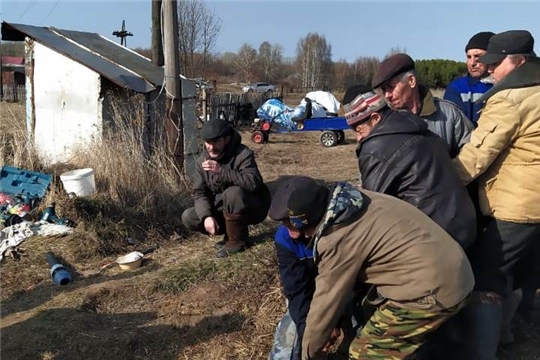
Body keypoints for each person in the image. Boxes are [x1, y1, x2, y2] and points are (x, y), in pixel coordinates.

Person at [270, 176, 474, 360]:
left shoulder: (336, 236)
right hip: (453, 271)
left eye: (297, 228)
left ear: (314, 217)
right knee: (367, 318)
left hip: (432, 291)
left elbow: (327, 301)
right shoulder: (355, 199)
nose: (294, 236)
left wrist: (309, 353)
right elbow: (301, 292)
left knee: (366, 353)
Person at [452, 30, 540, 359]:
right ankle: (507, 333)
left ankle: (481, 351)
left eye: (495, 63)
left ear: (517, 62)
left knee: (487, 279)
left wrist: (441, 182)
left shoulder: (510, 98)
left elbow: (476, 155)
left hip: (517, 207)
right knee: (520, 271)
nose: (489, 70)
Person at [342, 85, 476, 249]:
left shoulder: (376, 147)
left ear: (376, 118)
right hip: (464, 227)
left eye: (359, 129)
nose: (358, 138)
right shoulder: (415, 126)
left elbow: (371, 209)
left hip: (434, 240)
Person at [268, 176, 360, 360]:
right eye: (285, 225)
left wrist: (335, 318)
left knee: (363, 337)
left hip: (353, 293)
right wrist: (313, 330)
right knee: (288, 343)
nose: (292, 234)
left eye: (293, 224)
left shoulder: (342, 228)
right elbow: (297, 290)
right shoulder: (285, 239)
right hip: (314, 300)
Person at [181, 118, 271, 258]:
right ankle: (230, 235)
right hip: (223, 207)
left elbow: (253, 183)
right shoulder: (202, 162)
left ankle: (238, 241)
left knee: (233, 192)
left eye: (216, 142)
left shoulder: (243, 154)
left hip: (254, 206)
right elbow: (199, 193)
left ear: (227, 139)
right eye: (208, 143)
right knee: (189, 216)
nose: (211, 147)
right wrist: (207, 216)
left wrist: (222, 171)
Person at [372, 53, 474, 157]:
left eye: (391, 87)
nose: (387, 95)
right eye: (383, 89)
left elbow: (472, 153)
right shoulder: (383, 124)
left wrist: (448, 170)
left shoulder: (449, 114)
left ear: (411, 81)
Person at [444, 32, 495, 125]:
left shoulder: (508, 85)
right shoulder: (457, 88)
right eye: (468, 57)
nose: (472, 63)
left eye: (478, 56)